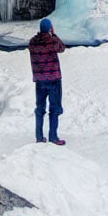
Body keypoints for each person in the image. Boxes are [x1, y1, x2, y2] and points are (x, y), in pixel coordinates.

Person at [28, 17, 66, 145]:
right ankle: (53, 137)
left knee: (40, 108)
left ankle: (39, 137)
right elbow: (62, 48)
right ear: (50, 28)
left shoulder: (32, 42)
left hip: (40, 81)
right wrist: (54, 34)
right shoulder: (52, 40)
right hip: (54, 79)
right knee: (54, 108)